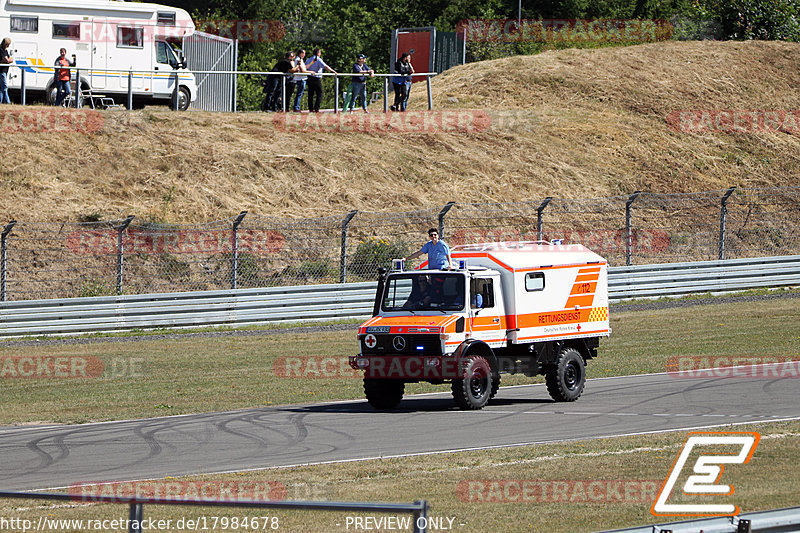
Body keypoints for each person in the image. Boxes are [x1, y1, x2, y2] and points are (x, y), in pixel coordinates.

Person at [305, 48, 337, 113]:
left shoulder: (308, 59)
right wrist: (333, 71)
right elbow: (325, 66)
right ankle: (316, 108)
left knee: (310, 94)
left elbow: (305, 67)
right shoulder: (318, 59)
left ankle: (310, 109)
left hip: (309, 78)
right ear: (318, 53)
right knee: (319, 93)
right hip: (316, 78)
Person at [0, 38, 12, 104]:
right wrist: (8, 60)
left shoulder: (5, 51)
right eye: (8, 44)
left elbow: (9, 59)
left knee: (1, 88)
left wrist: (8, 59)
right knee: (5, 86)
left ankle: (0, 101)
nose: (8, 46)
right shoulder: (1, 50)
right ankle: (8, 102)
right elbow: (7, 60)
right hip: (2, 71)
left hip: (5, 71)